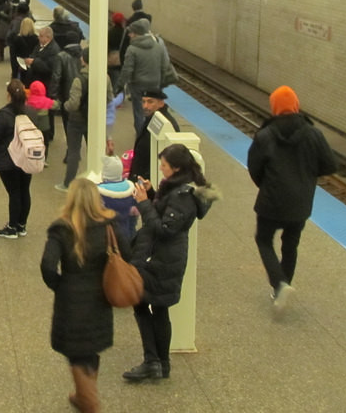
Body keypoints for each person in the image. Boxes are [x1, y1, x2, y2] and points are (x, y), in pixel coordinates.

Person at [123, 144, 219, 382]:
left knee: (142, 304)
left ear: (176, 168)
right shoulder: (178, 190)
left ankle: (152, 362)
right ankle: (161, 364)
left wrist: (144, 203)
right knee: (158, 308)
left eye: (164, 165)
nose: (160, 168)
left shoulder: (182, 196)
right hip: (164, 257)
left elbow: (165, 228)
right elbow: (168, 214)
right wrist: (152, 194)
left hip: (160, 259)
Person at [41, 178, 131, 413]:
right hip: (100, 298)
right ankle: (83, 396)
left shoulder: (62, 229)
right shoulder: (109, 225)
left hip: (71, 302)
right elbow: (127, 254)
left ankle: (90, 403)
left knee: (76, 354)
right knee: (90, 349)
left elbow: (48, 266)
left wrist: (60, 286)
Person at [248, 85, 338, 310]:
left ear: (274, 108)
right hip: (300, 203)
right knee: (290, 244)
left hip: (271, 201)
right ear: (296, 106)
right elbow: (330, 165)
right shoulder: (313, 134)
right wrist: (307, 176)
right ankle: (283, 287)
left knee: (264, 240)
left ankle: (279, 284)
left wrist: (266, 185)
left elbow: (254, 167)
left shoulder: (265, 135)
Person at [56, 47, 112, 191]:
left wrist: (64, 106)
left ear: (83, 60)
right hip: (95, 120)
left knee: (74, 151)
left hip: (76, 120)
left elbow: (73, 104)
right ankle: (98, 178)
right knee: (95, 149)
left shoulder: (78, 80)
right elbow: (109, 98)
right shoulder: (105, 77)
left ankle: (68, 183)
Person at [0, 80, 33, 239]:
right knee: (24, 190)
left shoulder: (4, 114)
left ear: (8, 95)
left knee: (14, 193)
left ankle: (12, 227)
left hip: (9, 160)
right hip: (27, 159)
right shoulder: (30, 112)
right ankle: (22, 225)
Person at [115, 19, 171, 135]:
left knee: (139, 112)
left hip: (138, 86)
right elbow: (165, 65)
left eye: (131, 32)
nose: (129, 35)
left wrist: (119, 86)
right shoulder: (157, 46)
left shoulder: (132, 49)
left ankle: (141, 136)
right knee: (154, 110)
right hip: (155, 84)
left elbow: (127, 70)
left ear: (137, 34)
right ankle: (153, 135)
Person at [129, 89, 179, 183]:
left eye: (150, 102)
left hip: (150, 181)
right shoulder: (152, 118)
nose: (145, 106)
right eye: (143, 101)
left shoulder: (166, 124)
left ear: (161, 103)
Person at [97, 154, 138, 238]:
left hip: (107, 237)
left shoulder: (98, 193)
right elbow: (133, 219)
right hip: (126, 235)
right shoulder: (131, 190)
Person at [23, 26, 61, 99]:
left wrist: (34, 61)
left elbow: (49, 68)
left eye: (41, 36)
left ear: (48, 37)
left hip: (43, 83)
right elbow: (34, 54)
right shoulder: (40, 45)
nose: (38, 37)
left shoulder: (54, 50)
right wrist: (29, 59)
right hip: (34, 80)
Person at [25, 80, 56, 146]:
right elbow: (56, 105)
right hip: (44, 127)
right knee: (45, 143)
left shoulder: (28, 100)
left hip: (32, 127)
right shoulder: (46, 101)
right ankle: (45, 151)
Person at [8, 14, 38, 82]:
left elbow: (13, 56)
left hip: (20, 66)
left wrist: (14, 72)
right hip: (32, 67)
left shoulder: (16, 39)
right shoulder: (36, 39)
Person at [107, 12, 127, 93]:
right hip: (122, 60)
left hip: (111, 58)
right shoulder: (125, 33)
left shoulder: (110, 32)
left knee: (111, 77)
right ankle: (116, 93)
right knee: (118, 79)